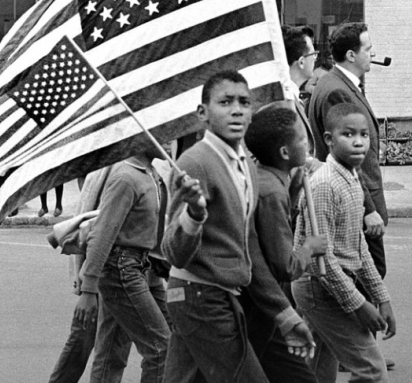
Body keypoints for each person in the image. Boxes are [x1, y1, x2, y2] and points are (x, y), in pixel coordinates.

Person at [161, 70, 315, 383]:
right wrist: (194, 213)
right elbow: (173, 252)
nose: (236, 110)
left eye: (244, 102)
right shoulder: (195, 163)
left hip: (219, 294)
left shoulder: (244, 161)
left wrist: (283, 312)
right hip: (199, 295)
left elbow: (250, 250)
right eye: (225, 102)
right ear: (202, 113)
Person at [293, 103, 397, 383]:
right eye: (348, 134)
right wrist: (359, 305)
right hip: (319, 287)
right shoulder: (325, 184)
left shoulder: (350, 178)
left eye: (364, 134)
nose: (359, 141)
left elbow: (358, 245)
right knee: (371, 370)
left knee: (317, 372)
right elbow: (322, 259)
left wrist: (381, 296)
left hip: (333, 282)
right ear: (328, 139)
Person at [48, 154, 172, 383]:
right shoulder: (119, 171)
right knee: (90, 340)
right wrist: (85, 281)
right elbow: (95, 227)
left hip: (145, 268)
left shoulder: (156, 169)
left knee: (114, 347)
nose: (168, 136)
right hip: (115, 267)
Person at [307, 23, 391, 340]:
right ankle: (351, 343)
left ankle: (351, 344)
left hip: (352, 192)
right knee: (361, 270)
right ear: (352, 54)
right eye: (368, 49)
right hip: (350, 196)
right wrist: (368, 207)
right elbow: (347, 153)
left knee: (359, 268)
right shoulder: (336, 90)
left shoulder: (337, 83)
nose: (373, 54)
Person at [242, 101, 327, 383]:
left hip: (259, 305)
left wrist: (292, 190)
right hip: (262, 305)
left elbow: (270, 231)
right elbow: (285, 266)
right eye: (302, 140)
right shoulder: (270, 192)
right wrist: (310, 248)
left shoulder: (268, 181)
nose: (308, 146)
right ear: (284, 152)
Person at [282, 25, 318, 157]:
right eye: (313, 54)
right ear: (301, 62)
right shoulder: (284, 102)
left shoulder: (292, 98)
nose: (315, 58)